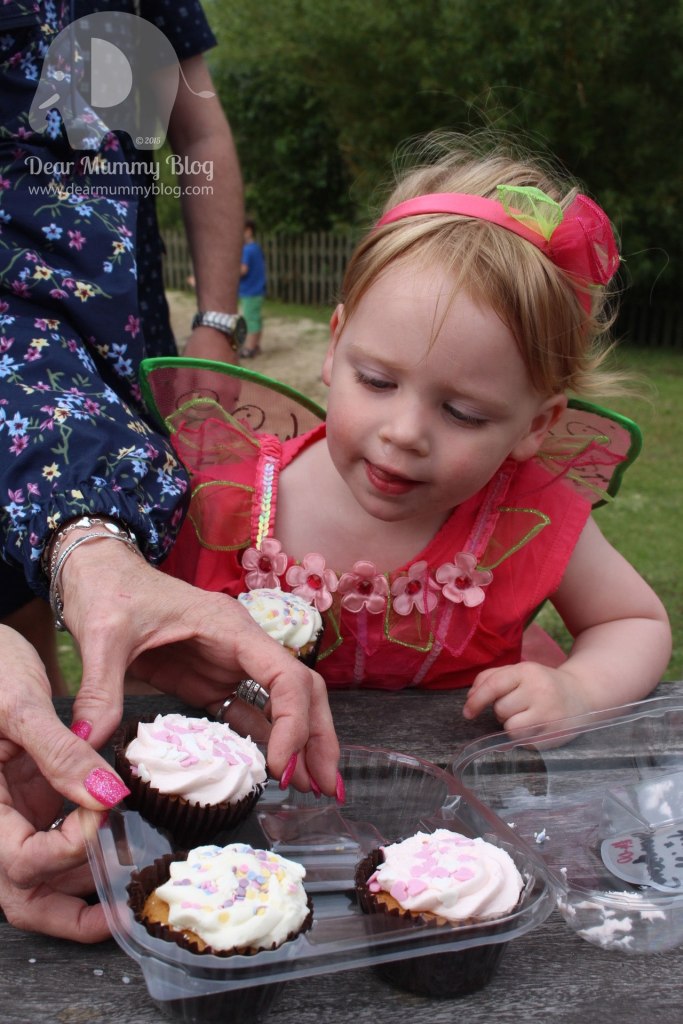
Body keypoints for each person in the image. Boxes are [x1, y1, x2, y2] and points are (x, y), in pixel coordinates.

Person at [0, 1, 341, 940]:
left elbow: (197, 121)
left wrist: (214, 317)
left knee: (82, 626)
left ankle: (65, 729)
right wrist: (89, 548)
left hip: (120, 336)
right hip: (25, 375)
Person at [161, 133, 671, 735]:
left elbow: (634, 622)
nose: (405, 434)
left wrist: (580, 687)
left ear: (536, 424)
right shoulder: (222, 505)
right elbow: (151, 649)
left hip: (464, 811)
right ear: (335, 346)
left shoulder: (527, 513)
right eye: (377, 381)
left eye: (463, 414)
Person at [239, 218, 267, 357]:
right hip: (257, 289)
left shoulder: (247, 250)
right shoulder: (256, 248)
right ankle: (255, 345)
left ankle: (250, 348)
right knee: (256, 319)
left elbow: (243, 270)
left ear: (248, 231)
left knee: (251, 320)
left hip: (250, 291)